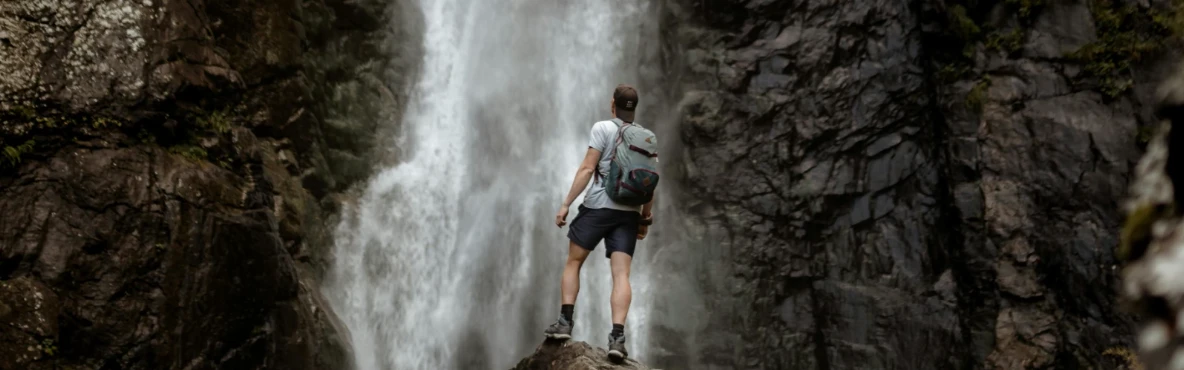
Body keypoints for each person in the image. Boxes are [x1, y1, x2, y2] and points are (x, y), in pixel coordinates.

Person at [545, 84, 655, 361]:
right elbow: (650, 182)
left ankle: (565, 322)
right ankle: (617, 339)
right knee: (621, 275)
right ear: (634, 108)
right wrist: (644, 218)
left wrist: (566, 203)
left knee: (574, 261)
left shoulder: (602, 128)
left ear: (612, 104)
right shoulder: (647, 138)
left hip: (598, 207)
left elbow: (586, 168)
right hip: (629, 212)